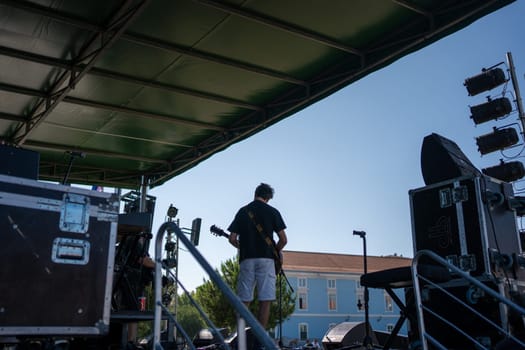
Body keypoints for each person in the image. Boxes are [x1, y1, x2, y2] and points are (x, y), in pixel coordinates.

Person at [228, 183, 288, 329]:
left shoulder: (243, 211)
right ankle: (260, 340)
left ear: (255, 194)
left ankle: (240, 338)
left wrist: (244, 248)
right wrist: (274, 252)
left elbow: (232, 238)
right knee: (265, 300)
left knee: (244, 300)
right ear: (268, 198)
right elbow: (283, 240)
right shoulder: (273, 211)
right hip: (266, 260)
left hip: (247, 259)